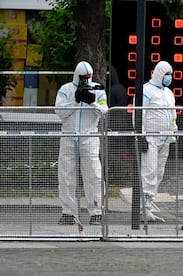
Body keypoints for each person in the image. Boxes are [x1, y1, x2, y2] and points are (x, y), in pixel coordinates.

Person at [55, 60, 108, 226]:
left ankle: (96, 211)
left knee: (93, 174)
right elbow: (60, 113)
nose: (86, 80)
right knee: (66, 175)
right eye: (83, 78)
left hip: (89, 135)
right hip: (68, 135)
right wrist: (76, 101)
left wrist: (91, 101)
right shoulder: (65, 90)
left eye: (88, 77)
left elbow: (105, 112)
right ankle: (68, 212)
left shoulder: (98, 90)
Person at [137, 60, 178, 222]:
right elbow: (139, 113)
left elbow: (172, 114)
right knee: (149, 172)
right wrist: (141, 135)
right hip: (150, 138)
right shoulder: (146, 90)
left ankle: (149, 207)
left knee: (159, 173)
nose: (169, 77)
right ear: (159, 73)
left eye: (170, 74)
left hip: (165, 138)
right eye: (166, 74)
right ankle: (142, 208)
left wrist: (173, 132)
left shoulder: (168, 93)